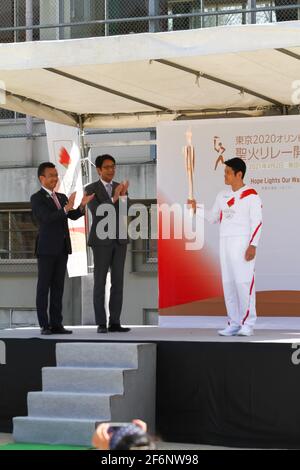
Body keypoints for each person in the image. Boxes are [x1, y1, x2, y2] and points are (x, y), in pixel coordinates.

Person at [188, 158, 262, 336]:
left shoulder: (251, 195)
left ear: (239, 174)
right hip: (225, 242)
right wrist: (195, 208)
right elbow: (213, 217)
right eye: (225, 172)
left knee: (243, 283)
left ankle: (248, 324)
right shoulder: (222, 196)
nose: (225, 175)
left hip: (243, 242)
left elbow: (257, 222)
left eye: (228, 172)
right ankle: (234, 322)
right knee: (228, 284)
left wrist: (253, 245)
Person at [31, 162, 94, 335]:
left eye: (56, 175)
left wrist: (81, 206)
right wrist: (66, 209)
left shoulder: (61, 196)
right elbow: (46, 218)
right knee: (44, 287)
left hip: (62, 248)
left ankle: (57, 324)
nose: (55, 178)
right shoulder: (36, 198)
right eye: (51, 175)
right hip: (46, 249)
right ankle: (45, 325)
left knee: (58, 287)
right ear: (41, 178)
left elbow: (72, 215)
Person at [85, 154, 130, 333]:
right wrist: (114, 198)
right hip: (101, 242)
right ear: (98, 170)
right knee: (100, 281)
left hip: (119, 240)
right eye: (107, 167)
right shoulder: (91, 189)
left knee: (118, 282)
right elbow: (98, 211)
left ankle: (115, 322)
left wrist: (124, 196)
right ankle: (101, 323)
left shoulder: (119, 187)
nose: (111, 170)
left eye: (113, 166)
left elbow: (126, 211)